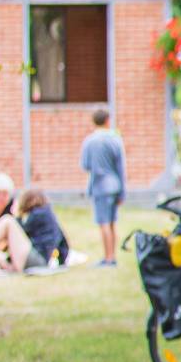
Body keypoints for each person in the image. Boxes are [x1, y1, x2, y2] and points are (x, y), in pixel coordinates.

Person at [0, 189, 68, 274]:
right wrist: (62, 261)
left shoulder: (39, 214)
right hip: (32, 260)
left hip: (37, 259)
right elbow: (64, 243)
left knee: (8, 221)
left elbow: (18, 230)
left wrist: (16, 214)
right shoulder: (48, 216)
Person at [79, 108, 126, 267]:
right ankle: (112, 256)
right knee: (112, 222)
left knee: (104, 223)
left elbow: (85, 165)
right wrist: (122, 193)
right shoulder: (115, 140)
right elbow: (121, 168)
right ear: (107, 120)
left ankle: (108, 258)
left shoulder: (90, 141)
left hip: (100, 186)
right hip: (115, 185)